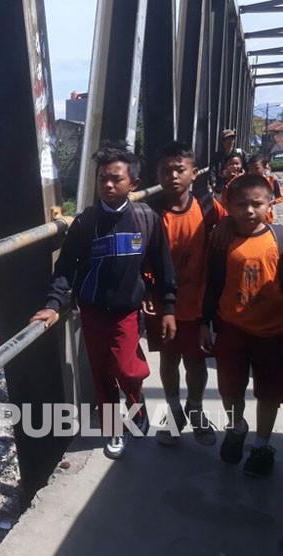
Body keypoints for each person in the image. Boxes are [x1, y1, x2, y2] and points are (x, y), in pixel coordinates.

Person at [30, 142, 177, 460]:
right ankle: (114, 429)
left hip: (126, 311)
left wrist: (167, 305)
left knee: (127, 370)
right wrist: (53, 304)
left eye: (116, 179)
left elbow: (162, 264)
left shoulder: (145, 220)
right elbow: (66, 269)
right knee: (102, 374)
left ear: (133, 184)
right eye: (102, 179)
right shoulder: (86, 223)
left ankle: (136, 404)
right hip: (94, 311)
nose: (108, 185)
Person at [201, 174, 283, 477]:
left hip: (272, 332)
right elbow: (213, 283)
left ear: (270, 204)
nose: (249, 210)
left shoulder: (279, 239)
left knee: (270, 393)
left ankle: (262, 445)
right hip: (231, 327)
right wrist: (204, 322)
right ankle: (237, 427)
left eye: (256, 204)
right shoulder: (222, 240)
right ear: (228, 207)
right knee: (230, 388)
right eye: (241, 204)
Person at [145, 142, 227, 447]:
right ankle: (175, 411)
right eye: (166, 170)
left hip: (198, 302)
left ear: (194, 173)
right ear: (157, 175)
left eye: (180, 169)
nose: (173, 176)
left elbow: (227, 237)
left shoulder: (208, 207)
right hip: (164, 303)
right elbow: (143, 257)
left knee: (195, 361)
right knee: (169, 358)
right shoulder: (151, 213)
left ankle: (195, 409)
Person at [208, 130, 246, 195]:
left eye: (232, 139)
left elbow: (248, 167)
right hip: (222, 186)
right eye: (228, 139)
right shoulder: (217, 156)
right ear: (223, 141)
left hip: (238, 186)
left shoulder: (240, 153)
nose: (231, 141)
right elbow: (212, 170)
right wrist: (213, 183)